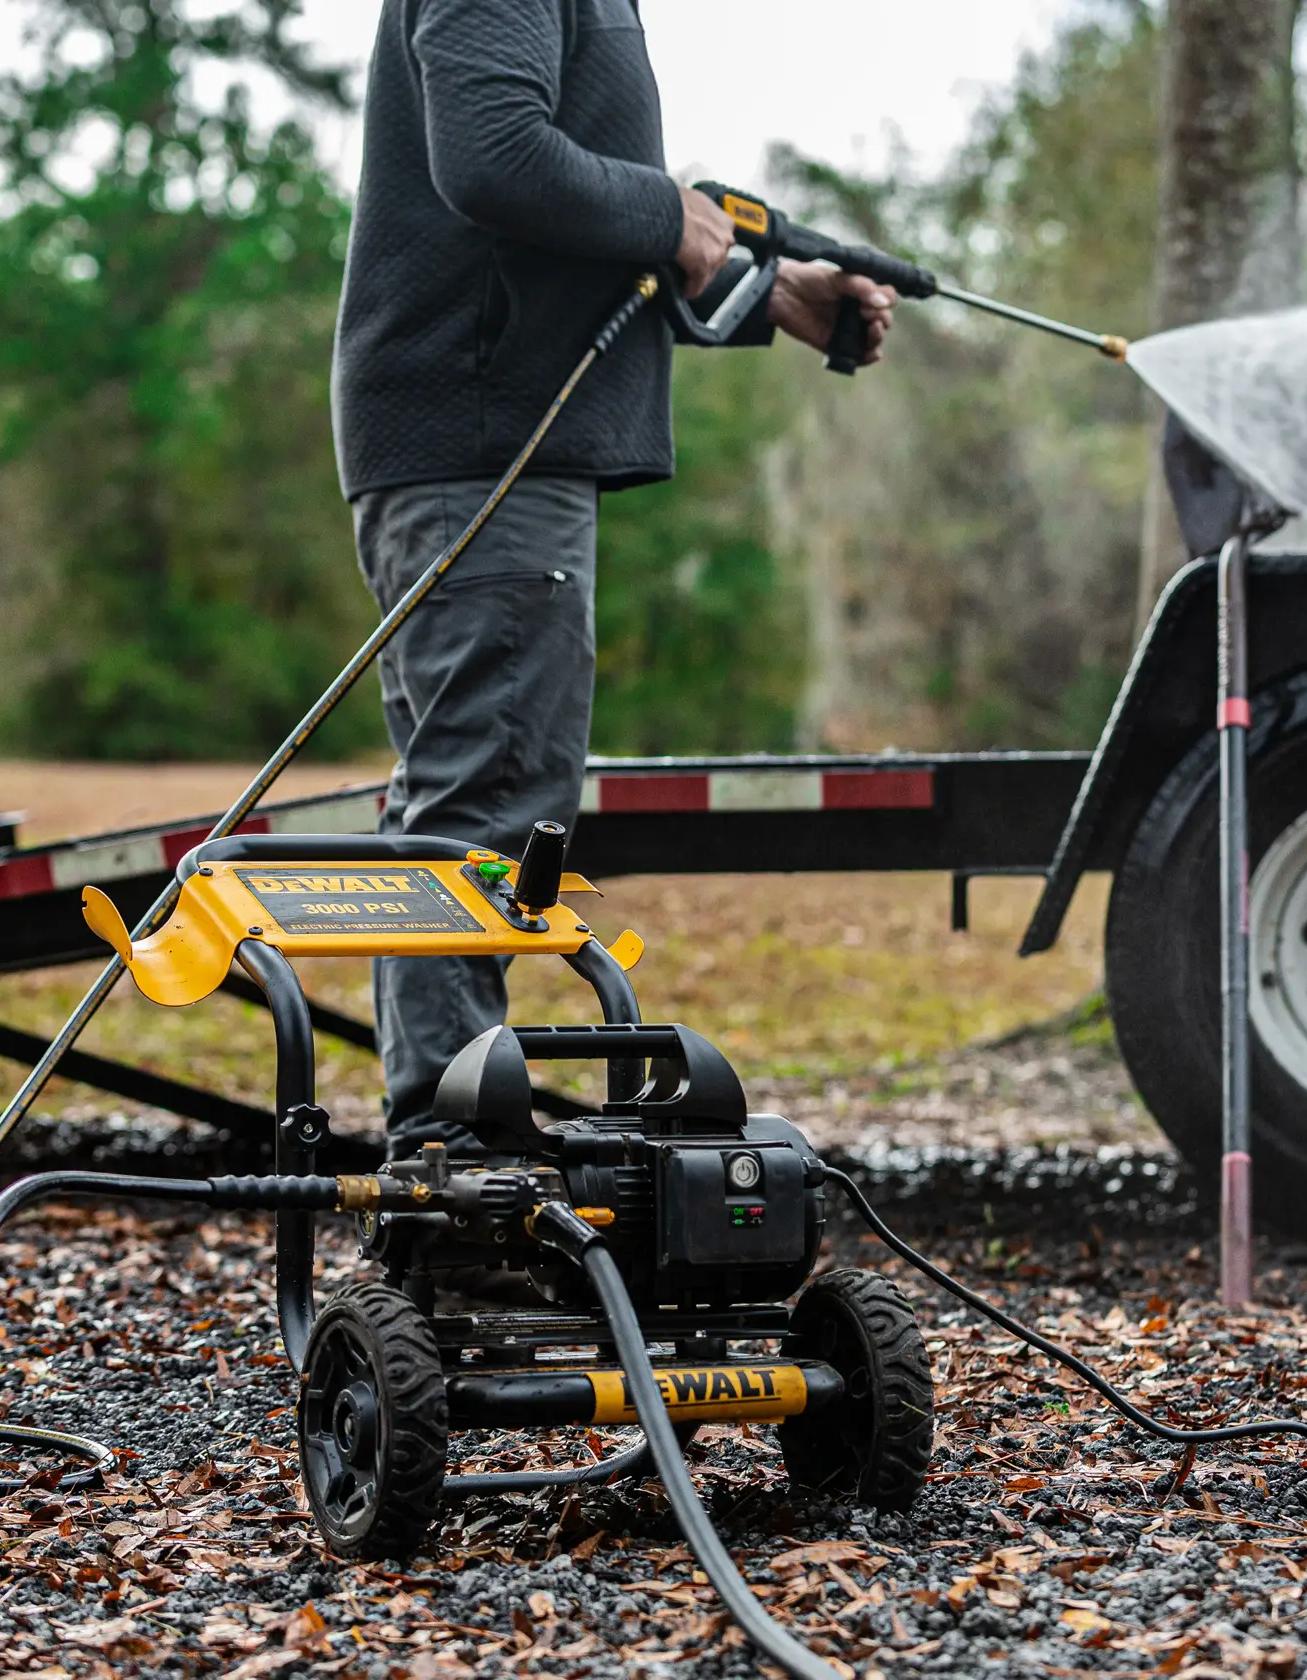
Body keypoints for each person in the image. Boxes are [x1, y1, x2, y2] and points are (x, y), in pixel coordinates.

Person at [332, 0, 896, 1156]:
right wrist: (667, 213)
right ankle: (446, 1162)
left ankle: (443, 1143)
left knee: (473, 799)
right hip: (481, 441)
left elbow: (577, 241)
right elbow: (493, 159)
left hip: (489, 439)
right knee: (481, 806)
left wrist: (771, 288)